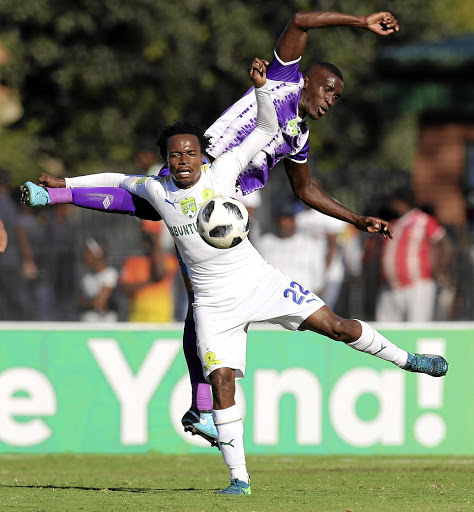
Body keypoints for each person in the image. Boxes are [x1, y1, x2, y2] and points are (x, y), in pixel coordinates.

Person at [21, 60, 448, 495]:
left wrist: (262, 88)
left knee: (336, 327)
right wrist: (64, 185)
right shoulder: (158, 189)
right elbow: (115, 181)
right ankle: (239, 479)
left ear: (202, 155)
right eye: (176, 155)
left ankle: (407, 360)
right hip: (212, 302)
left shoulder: (222, 171)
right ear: (167, 161)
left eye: (190, 153)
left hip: (259, 281)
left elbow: (265, 130)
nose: (184, 161)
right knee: (222, 380)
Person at [376, 187, 454, 322]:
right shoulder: (394, 223)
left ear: (402, 202)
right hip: (390, 287)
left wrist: (439, 270)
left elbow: (446, 245)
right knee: (386, 331)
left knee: (416, 327)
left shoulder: (423, 220)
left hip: (417, 285)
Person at [119, 222, 178, 322]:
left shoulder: (168, 260)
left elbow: (159, 273)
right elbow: (124, 288)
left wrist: (155, 239)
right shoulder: (132, 261)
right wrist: (148, 282)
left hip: (162, 322)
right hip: (136, 322)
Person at [79, 237, 119, 322]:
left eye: (88, 253)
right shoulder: (86, 277)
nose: (85, 256)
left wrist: (87, 304)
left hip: (105, 327)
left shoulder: (110, 273)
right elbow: (79, 304)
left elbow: (100, 303)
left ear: (98, 254)